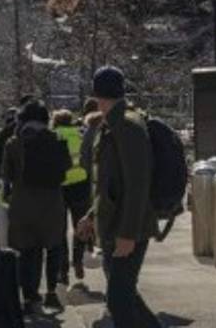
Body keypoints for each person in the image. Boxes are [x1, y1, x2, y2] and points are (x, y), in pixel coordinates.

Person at [76, 67, 161, 328]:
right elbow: (110, 184)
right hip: (114, 226)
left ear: (98, 93)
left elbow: (137, 185)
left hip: (127, 228)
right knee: (126, 297)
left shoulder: (126, 125)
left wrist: (128, 234)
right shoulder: (111, 124)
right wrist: (91, 215)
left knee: (118, 300)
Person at [4, 100, 72, 313]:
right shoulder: (57, 139)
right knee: (52, 248)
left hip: (23, 205)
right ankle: (51, 292)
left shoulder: (14, 143)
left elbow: (7, 175)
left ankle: (29, 297)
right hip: (52, 204)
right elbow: (66, 167)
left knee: (27, 252)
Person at [47, 109, 92, 287]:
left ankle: (62, 270)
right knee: (79, 225)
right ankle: (78, 259)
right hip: (80, 185)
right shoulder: (81, 135)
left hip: (59, 186)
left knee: (60, 230)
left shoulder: (53, 136)